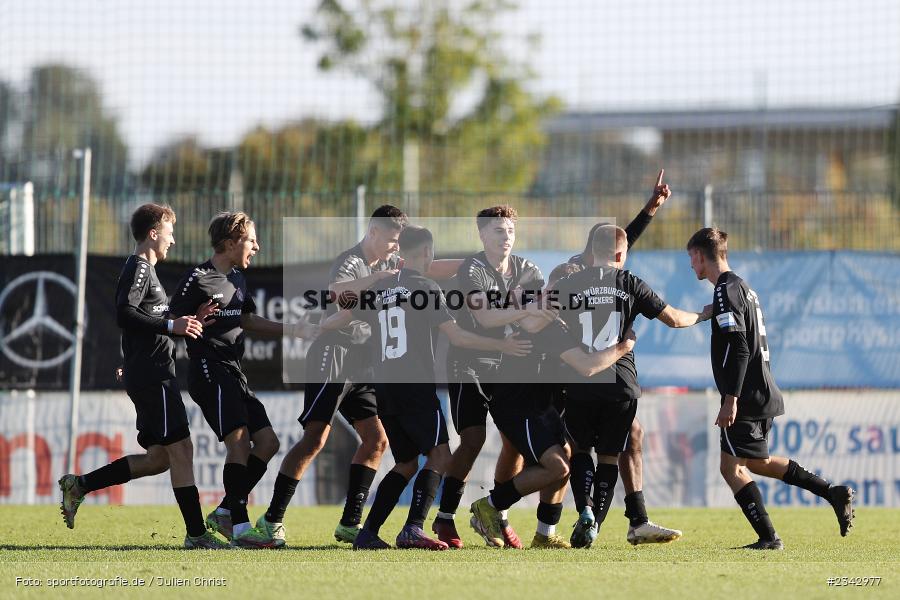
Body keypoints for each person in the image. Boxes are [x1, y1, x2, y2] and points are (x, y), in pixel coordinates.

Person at [321, 225, 532, 550]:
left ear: (400, 253)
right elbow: (458, 336)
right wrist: (502, 346)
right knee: (440, 455)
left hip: (385, 387)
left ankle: (367, 533)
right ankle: (413, 528)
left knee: (406, 463)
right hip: (414, 385)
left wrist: (317, 328)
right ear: (427, 254)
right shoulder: (426, 288)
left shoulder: (380, 289)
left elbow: (337, 319)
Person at [261, 206, 462, 545]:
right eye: (391, 240)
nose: (395, 247)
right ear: (373, 232)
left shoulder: (394, 264)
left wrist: (474, 264)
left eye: (400, 243)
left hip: (368, 363)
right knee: (315, 439)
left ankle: (352, 524)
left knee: (377, 440)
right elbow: (337, 291)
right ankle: (271, 521)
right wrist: (376, 280)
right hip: (335, 355)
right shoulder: (352, 260)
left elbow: (425, 266)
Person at [58, 203, 225, 549]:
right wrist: (169, 325)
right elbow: (125, 313)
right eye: (169, 231)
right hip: (153, 375)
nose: (173, 240)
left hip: (150, 373)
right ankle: (196, 534)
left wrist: (188, 319)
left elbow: (149, 318)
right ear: (153, 233)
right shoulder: (139, 268)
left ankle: (80, 484)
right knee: (181, 449)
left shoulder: (147, 270)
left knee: (160, 458)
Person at [686, 227, 854, 549]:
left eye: (691, 258)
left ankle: (768, 537)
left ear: (699, 255)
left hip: (745, 397)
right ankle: (831, 491)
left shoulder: (725, 291)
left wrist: (730, 400)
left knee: (731, 467)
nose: (691, 265)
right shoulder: (742, 288)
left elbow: (739, 349)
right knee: (757, 463)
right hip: (760, 392)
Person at [551, 224, 711, 548]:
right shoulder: (631, 283)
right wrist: (704, 314)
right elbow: (675, 320)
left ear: (592, 251)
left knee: (581, 449)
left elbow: (542, 312)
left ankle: (584, 509)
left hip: (580, 381)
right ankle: (594, 524)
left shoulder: (570, 283)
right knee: (610, 457)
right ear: (621, 254)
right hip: (620, 385)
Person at [169, 211, 317, 548]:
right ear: (231, 241)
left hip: (234, 372)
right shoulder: (198, 278)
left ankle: (225, 510)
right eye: (251, 240)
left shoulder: (238, 278)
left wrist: (294, 330)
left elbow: (247, 319)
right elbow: (169, 318)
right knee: (238, 442)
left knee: (267, 443)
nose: (257, 246)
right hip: (208, 369)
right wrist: (192, 318)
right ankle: (239, 527)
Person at [556, 169, 681, 545]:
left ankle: (624, 518)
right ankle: (575, 520)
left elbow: (624, 242)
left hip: (594, 373)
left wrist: (651, 208)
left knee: (631, 435)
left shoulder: (588, 271)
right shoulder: (572, 272)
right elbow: (621, 248)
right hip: (578, 370)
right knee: (597, 448)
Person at [432, 205, 555, 549]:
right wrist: (525, 309)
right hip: (468, 365)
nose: (506, 237)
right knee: (472, 440)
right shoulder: (472, 269)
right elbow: (485, 319)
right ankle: (445, 517)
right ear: (483, 235)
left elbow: (540, 313)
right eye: (499, 231)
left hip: (509, 366)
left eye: (511, 231)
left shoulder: (528, 270)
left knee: (514, 443)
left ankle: (495, 514)